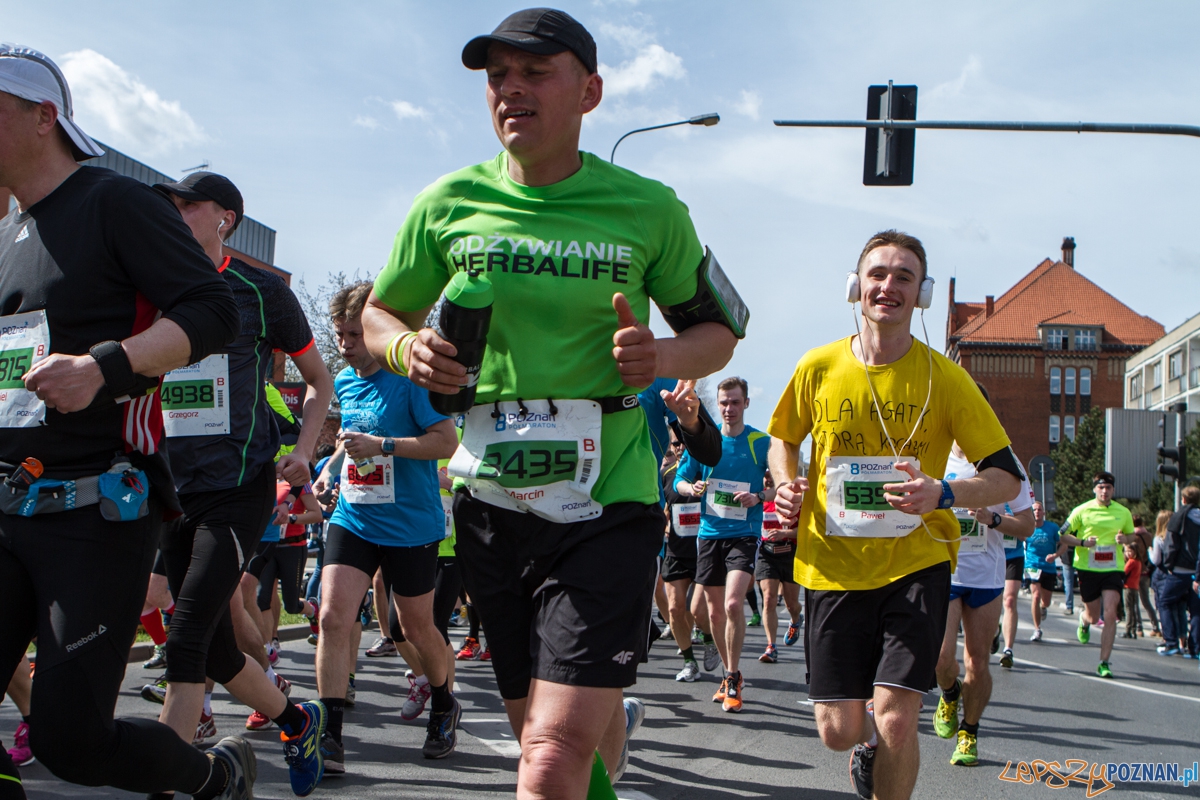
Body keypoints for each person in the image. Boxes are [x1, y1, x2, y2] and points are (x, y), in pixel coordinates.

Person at [360, 8, 742, 795]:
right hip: (492, 500)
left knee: (548, 761)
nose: (511, 90)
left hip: (610, 497)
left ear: (590, 92)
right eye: (498, 76)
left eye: (535, 72)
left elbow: (720, 329)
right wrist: (408, 348)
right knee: (542, 734)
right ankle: (601, 724)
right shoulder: (447, 204)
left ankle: (589, 728)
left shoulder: (649, 206)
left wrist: (661, 355)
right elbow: (378, 316)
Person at [0, 44, 253, 800]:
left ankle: (215, 775)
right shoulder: (12, 235)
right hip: (9, 505)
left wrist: (104, 367)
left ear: (44, 117)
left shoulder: (114, 202)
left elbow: (214, 311)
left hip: (94, 514)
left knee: (71, 741)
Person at [768, 230, 1022, 800]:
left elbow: (1005, 475)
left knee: (898, 720)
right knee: (840, 731)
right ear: (856, 287)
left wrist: (946, 493)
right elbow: (782, 439)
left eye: (904, 276)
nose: (889, 285)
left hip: (916, 562)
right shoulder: (819, 366)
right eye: (878, 273)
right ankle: (865, 750)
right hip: (832, 566)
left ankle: (887, 755)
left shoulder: (946, 378)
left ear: (922, 294)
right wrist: (787, 485)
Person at [152, 170, 333, 795]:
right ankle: (297, 717)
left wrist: (304, 453)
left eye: (187, 203)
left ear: (225, 216)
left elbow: (318, 380)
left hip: (239, 485)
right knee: (219, 652)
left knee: (184, 642)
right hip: (171, 488)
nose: (174, 213)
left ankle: (171, 782)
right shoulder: (152, 289)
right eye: (168, 204)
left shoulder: (259, 292)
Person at [312, 282, 460, 771]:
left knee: (416, 627)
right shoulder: (345, 379)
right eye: (339, 334)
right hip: (354, 516)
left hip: (410, 525)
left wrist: (384, 446)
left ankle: (443, 701)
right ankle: (328, 735)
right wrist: (329, 471)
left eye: (354, 334)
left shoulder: (411, 379)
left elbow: (445, 442)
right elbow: (349, 438)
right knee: (333, 617)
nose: (345, 344)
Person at [932, 432, 1034, 768]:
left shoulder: (1006, 463)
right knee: (940, 659)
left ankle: (969, 732)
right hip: (945, 570)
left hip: (986, 576)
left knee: (977, 662)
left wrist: (994, 519)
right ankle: (949, 693)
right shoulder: (937, 456)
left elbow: (1028, 525)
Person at [675, 377, 771, 713]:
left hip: (744, 534)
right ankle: (730, 673)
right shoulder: (706, 439)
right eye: (723, 403)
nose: (728, 409)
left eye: (735, 402)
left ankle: (731, 676)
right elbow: (680, 480)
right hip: (709, 534)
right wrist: (694, 488)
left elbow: (780, 487)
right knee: (713, 612)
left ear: (745, 403)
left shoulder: (761, 442)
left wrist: (759, 496)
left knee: (732, 604)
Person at [1058, 471, 1136, 678]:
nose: (1104, 491)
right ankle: (1084, 621)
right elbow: (1062, 534)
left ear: (1113, 490)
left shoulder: (1123, 512)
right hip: (1088, 568)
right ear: (1095, 489)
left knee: (1110, 613)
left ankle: (1104, 662)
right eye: (1100, 488)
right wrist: (1083, 543)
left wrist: (1124, 539)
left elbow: (1132, 535)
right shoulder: (1082, 510)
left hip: (1113, 568)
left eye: (1108, 488)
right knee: (1093, 617)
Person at [755, 470, 802, 664]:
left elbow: (805, 529)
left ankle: (795, 620)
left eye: (771, 476)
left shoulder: (793, 501)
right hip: (766, 555)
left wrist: (785, 534)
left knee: (792, 604)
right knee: (769, 599)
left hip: (790, 554)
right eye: (765, 476)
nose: (767, 479)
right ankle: (771, 646)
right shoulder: (758, 501)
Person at [1159, 486, 1200, 658]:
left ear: (1183, 499)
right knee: (1196, 610)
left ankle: (1171, 643)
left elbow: (1171, 544)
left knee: (1165, 602)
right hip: (1197, 572)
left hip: (1179, 571)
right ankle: (1195, 649)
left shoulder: (1178, 517)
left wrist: (1169, 565)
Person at [1024, 501, 1060, 641]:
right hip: (1032, 566)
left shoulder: (1052, 528)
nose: (1037, 512)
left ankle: (1043, 608)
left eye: (1039, 509)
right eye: (1034, 510)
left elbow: (1063, 543)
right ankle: (1037, 629)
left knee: (1046, 601)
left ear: (1044, 512)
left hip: (1048, 567)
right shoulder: (1027, 528)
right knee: (1036, 595)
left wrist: (1056, 555)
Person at [1131, 513, 1159, 637]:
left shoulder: (1132, 537)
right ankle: (1155, 626)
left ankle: (1139, 628)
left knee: (1134, 601)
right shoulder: (1149, 536)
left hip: (1135, 570)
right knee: (1146, 601)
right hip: (1146, 571)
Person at [1122, 544, 1142, 638]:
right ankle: (1133, 629)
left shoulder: (1131, 562)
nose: (1128, 553)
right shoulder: (1138, 562)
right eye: (1126, 551)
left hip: (1128, 586)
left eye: (1130, 551)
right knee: (1134, 608)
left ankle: (1128, 629)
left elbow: (1124, 572)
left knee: (1128, 609)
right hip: (1135, 587)